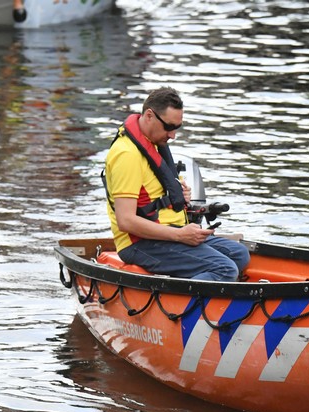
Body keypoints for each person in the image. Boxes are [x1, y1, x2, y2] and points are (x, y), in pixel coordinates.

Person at [102, 87, 250, 281]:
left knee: (239, 254)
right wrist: (180, 236)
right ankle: (180, 306)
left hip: (167, 233)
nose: (173, 135)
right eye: (169, 127)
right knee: (225, 269)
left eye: (177, 128)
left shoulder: (152, 142)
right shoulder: (127, 155)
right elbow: (126, 221)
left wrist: (178, 196)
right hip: (140, 243)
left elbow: (150, 194)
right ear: (149, 116)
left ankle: (186, 282)